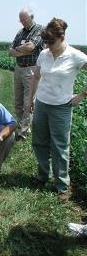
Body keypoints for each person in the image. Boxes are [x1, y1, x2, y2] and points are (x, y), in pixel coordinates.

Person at [27, 18, 87, 200]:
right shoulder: (44, 54)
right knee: (39, 142)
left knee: (60, 146)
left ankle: (62, 185)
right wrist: (31, 99)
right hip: (42, 104)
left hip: (61, 108)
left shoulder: (75, 56)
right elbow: (36, 77)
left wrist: (82, 95)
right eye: (46, 42)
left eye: (51, 42)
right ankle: (43, 175)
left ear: (62, 37)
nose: (48, 45)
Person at [9, 7, 44, 142]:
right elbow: (10, 51)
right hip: (19, 68)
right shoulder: (20, 32)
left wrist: (20, 49)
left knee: (28, 101)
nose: (22, 22)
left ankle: (22, 133)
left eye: (24, 19)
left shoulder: (40, 29)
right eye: (21, 20)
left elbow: (32, 47)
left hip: (32, 69)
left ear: (32, 17)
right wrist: (22, 50)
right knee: (18, 100)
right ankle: (21, 125)